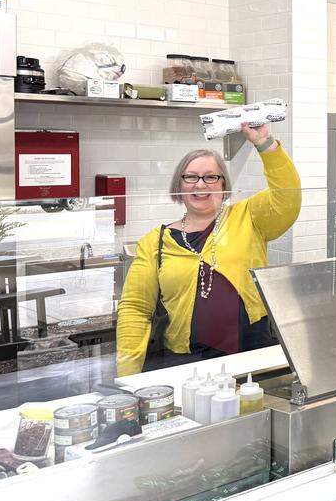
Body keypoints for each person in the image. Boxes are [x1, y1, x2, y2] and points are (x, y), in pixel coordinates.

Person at [116, 124, 301, 376]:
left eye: (210, 177)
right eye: (191, 177)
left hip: (254, 356)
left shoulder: (248, 216)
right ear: (179, 185)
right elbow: (135, 308)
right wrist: (128, 377)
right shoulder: (155, 242)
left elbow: (287, 198)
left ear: (223, 184)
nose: (200, 185)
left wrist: (266, 145)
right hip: (186, 364)